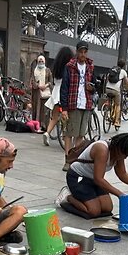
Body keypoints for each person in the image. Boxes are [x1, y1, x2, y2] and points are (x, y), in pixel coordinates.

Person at [57, 132, 128, 219]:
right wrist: (119, 194)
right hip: (78, 177)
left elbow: (122, 174)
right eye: (124, 155)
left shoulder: (119, 153)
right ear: (119, 148)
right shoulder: (102, 149)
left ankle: (83, 196)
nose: (125, 157)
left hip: (92, 179)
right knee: (93, 211)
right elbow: (98, 179)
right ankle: (68, 197)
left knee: (107, 208)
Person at [57, 41, 97, 172]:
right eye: (81, 51)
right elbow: (64, 88)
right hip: (72, 103)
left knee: (80, 134)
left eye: (85, 52)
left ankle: (76, 160)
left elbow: (95, 85)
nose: (83, 54)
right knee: (69, 133)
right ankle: (68, 160)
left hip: (85, 104)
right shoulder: (70, 66)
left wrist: (92, 88)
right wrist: (64, 108)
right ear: (77, 52)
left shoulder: (91, 67)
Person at [41, 46, 74, 147]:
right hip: (65, 92)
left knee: (54, 117)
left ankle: (47, 133)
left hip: (56, 92)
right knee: (66, 116)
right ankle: (65, 136)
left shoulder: (56, 66)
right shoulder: (69, 67)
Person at [104, 59, 128, 128]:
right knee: (118, 105)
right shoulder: (123, 72)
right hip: (116, 90)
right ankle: (116, 121)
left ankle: (107, 111)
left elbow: (107, 79)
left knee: (109, 99)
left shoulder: (112, 69)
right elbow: (127, 83)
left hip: (107, 88)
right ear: (124, 65)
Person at [29, 54, 52, 124]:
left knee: (44, 110)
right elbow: (32, 80)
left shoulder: (47, 70)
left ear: (44, 62)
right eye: (39, 61)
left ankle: (44, 125)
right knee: (36, 108)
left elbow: (51, 81)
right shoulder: (34, 70)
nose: (41, 62)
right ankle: (36, 124)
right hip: (36, 93)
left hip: (45, 93)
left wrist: (45, 85)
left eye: (42, 61)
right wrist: (37, 86)